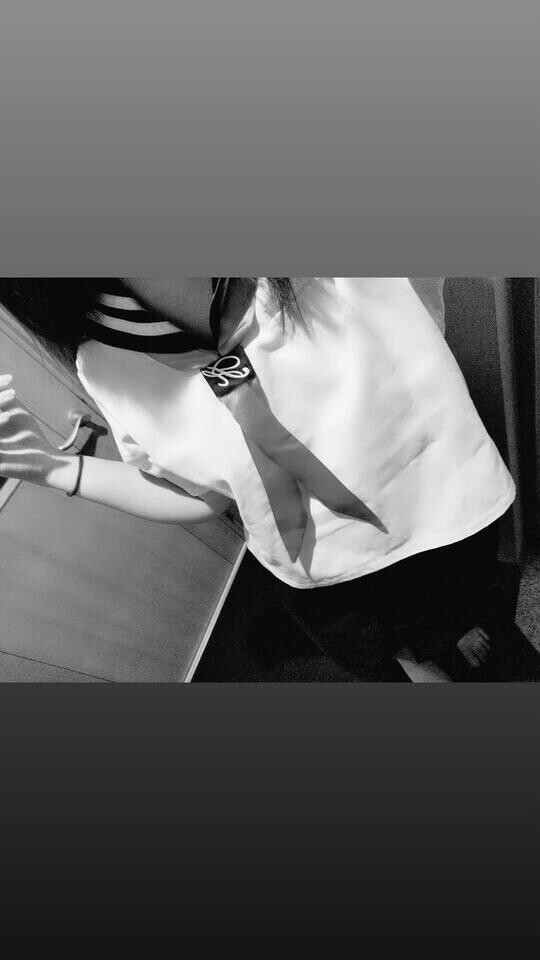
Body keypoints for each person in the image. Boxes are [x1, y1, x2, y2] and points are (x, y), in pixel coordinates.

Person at [0, 278, 526, 681]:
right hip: (322, 575)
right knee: (383, 646)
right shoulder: (103, 361)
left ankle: (452, 633)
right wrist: (57, 468)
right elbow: (200, 495)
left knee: (465, 609)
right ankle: (417, 656)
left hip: (440, 512)